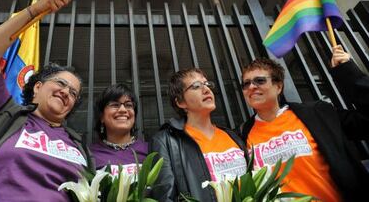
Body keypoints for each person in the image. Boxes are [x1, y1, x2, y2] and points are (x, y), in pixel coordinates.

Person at [0, 0, 92, 201]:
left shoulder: (78, 145)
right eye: (60, 83)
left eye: (73, 93)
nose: (66, 92)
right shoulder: (0, 115)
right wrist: (36, 10)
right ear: (37, 86)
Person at [240, 45, 369, 201]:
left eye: (259, 80)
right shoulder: (241, 136)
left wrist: (349, 73)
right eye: (246, 84)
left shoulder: (317, 114)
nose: (252, 87)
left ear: (278, 86)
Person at [150, 68, 248, 202]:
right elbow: (165, 196)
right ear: (180, 102)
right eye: (196, 86)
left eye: (208, 84)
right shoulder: (166, 140)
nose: (207, 90)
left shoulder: (232, 136)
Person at [90, 83, 147, 176]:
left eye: (128, 105)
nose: (123, 109)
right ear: (101, 117)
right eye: (115, 105)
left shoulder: (150, 150)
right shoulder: (89, 155)